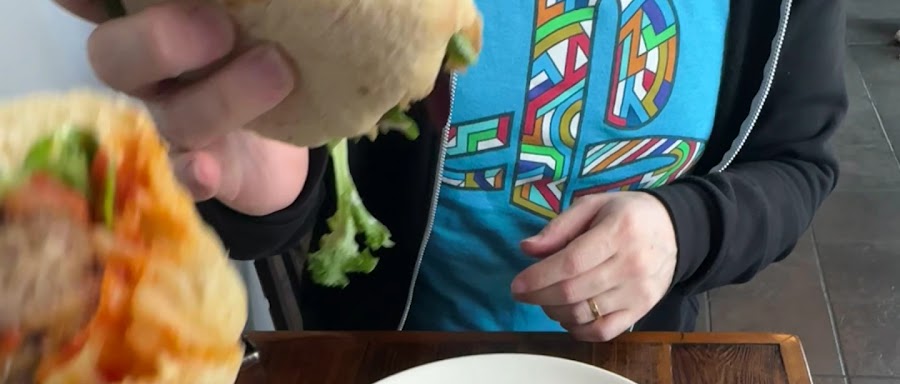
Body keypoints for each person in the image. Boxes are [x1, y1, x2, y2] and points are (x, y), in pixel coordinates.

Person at [54, 0, 847, 340]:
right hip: (381, 366)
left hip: (639, 375)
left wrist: (682, 231)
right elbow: (294, 201)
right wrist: (260, 185)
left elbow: (797, 166)